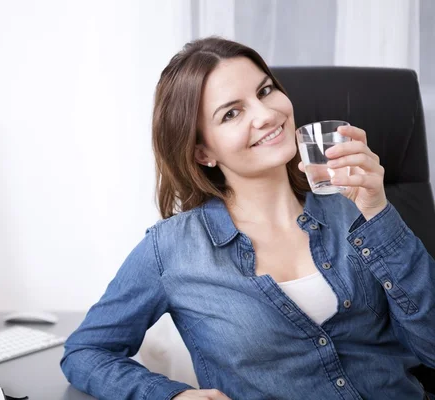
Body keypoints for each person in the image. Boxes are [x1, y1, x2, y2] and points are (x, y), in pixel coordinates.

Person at [60, 37, 435, 400]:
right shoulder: (171, 249)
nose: (267, 114)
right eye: (232, 113)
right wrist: (170, 395)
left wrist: (379, 214)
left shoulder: (357, 207)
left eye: (266, 91)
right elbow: (85, 352)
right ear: (203, 152)